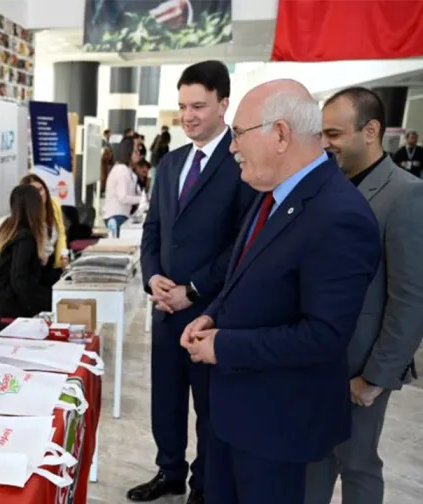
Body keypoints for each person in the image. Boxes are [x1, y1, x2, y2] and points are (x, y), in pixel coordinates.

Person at [181, 79, 382, 504]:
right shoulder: (272, 192)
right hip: (235, 418)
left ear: (280, 134)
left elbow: (323, 336)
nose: (233, 148)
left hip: (277, 432)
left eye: (238, 134)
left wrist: (225, 346)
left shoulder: (339, 215)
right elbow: (249, 275)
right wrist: (213, 314)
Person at [133, 60, 257, 504]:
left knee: (209, 408)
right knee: (164, 401)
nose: (188, 116)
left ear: (224, 103)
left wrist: (193, 289)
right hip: (165, 308)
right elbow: (153, 230)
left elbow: (243, 244)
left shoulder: (241, 161)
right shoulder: (170, 163)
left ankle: (204, 485)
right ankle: (170, 472)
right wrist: (153, 281)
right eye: (183, 106)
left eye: (199, 106)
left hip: (210, 312)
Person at [307, 88, 423, 504]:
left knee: (357, 464)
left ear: (371, 130)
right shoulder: (327, 186)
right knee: (314, 459)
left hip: (362, 366)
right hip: (319, 359)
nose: (325, 143)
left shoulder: (406, 195)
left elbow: (410, 299)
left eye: (334, 133)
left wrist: (376, 378)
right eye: (322, 133)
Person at [0, 185, 54, 318]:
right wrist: (34, 310)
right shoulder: (25, 237)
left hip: (0, 299)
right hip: (12, 302)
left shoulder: (7, 229)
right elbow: (19, 279)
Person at [20, 173, 69, 284]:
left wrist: (64, 256)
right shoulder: (25, 218)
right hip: (33, 270)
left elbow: (62, 235)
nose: (39, 195)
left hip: (53, 265)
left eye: (40, 189)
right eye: (34, 192)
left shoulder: (54, 208)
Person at [102, 137, 144, 236]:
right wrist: (141, 199)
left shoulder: (127, 169)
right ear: (127, 152)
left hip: (122, 214)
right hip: (116, 216)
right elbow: (123, 197)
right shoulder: (122, 170)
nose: (138, 153)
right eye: (135, 150)